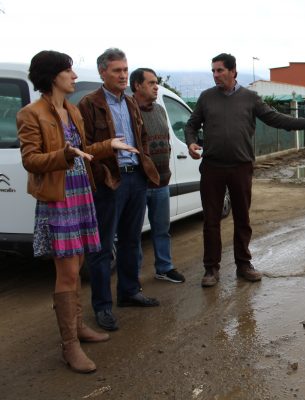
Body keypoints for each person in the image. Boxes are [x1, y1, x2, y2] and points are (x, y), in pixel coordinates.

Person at [17, 50, 140, 373]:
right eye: (67, 71)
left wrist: (106, 146)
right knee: (68, 272)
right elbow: (31, 160)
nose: (73, 76)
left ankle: (78, 327)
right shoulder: (32, 113)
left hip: (81, 192)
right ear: (52, 75)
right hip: (59, 197)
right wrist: (64, 154)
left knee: (80, 263)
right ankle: (69, 345)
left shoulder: (72, 110)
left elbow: (82, 151)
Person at [184, 53, 305, 287]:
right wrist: (191, 141)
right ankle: (211, 269)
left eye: (220, 70)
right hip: (212, 167)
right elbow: (191, 124)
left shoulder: (250, 98)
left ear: (233, 72)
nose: (215, 75)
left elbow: (275, 118)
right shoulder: (206, 98)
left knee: (242, 218)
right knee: (211, 220)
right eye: (213, 71)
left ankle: (243, 264)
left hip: (241, 167)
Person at [78, 48, 161, 332]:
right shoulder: (89, 104)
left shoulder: (130, 103)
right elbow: (83, 148)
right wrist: (101, 174)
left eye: (125, 70)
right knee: (102, 248)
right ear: (103, 72)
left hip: (135, 178)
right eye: (117, 71)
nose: (123, 75)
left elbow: (143, 137)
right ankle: (102, 306)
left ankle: (129, 292)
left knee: (131, 240)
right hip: (110, 181)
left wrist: (144, 162)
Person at [130, 68, 185, 283]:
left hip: (161, 182)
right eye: (151, 83)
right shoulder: (128, 111)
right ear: (137, 85)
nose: (156, 87)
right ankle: (132, 277)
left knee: (162, 230)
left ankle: (164, 267)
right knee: (133, 234)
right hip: (138, 183)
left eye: (156, 82)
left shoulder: (161, 110)